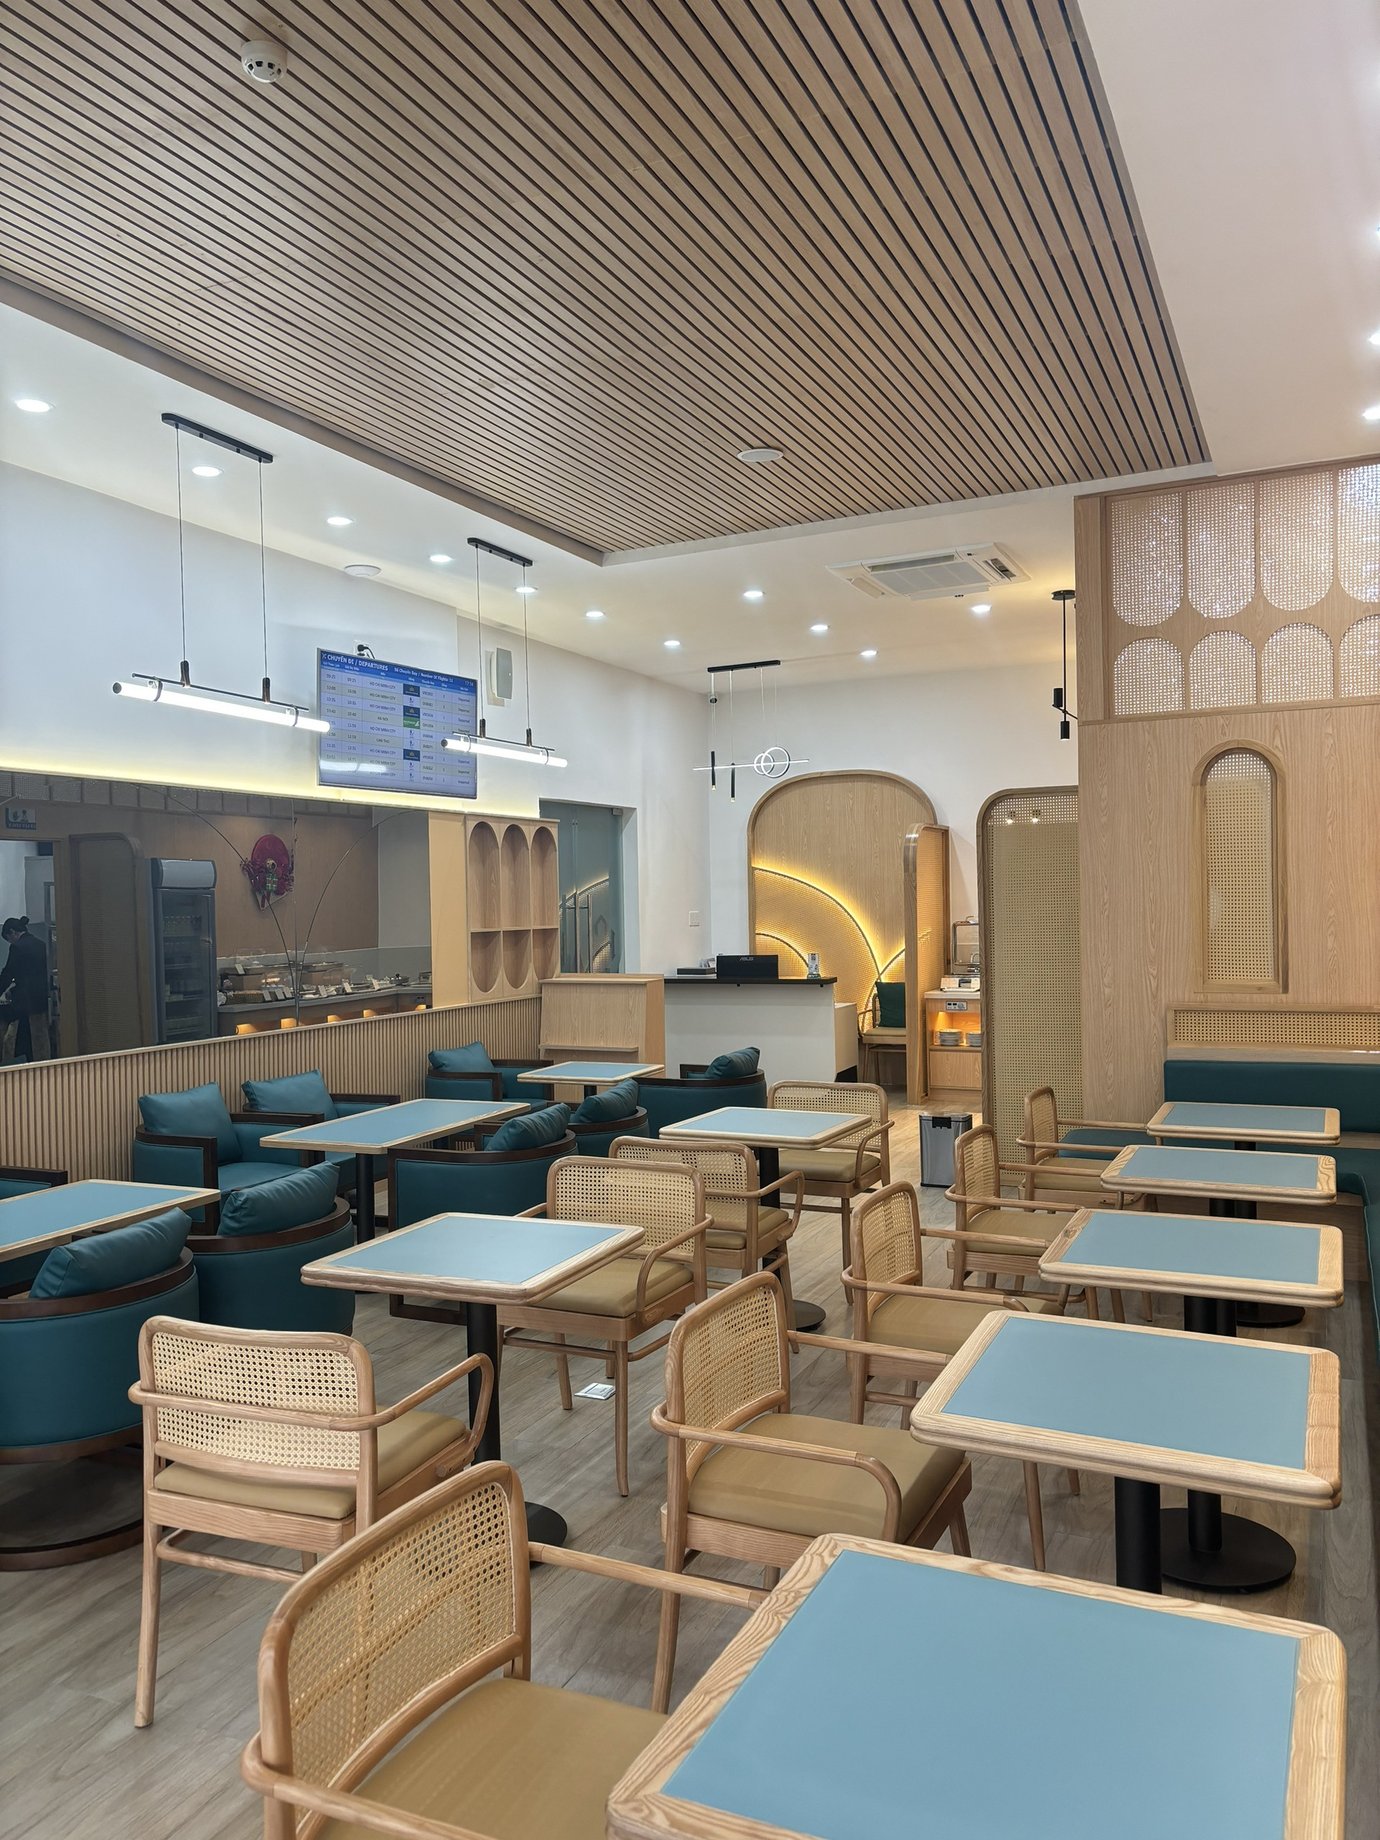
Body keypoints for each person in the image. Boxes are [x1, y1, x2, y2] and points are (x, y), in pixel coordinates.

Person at [0, 916, 50, 1062]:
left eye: (8, 938)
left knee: (10, 1033)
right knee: (39, 1038)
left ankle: (7, 1062)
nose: (10, 942)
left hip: (24, 1001)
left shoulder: (17, 947)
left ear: (12, 933)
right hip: (41, 999)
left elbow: (8, 973)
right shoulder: (41, 944)